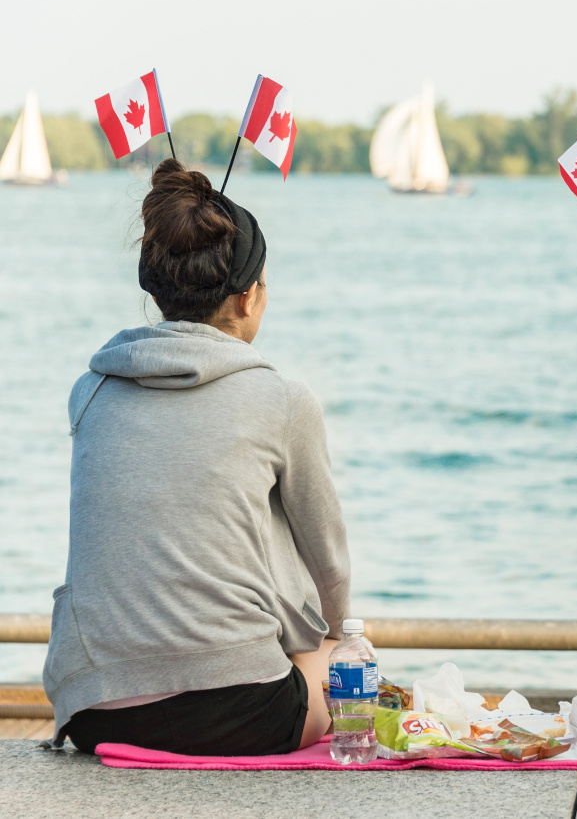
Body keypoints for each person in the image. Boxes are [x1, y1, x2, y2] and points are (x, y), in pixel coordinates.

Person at [43, 159, 351, 756]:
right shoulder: (283, 399)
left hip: (95, 709)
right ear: (247, 297)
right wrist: (335, 638)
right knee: (347, 658)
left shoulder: (91, 391)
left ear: (156, 292)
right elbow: (330, 564)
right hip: (244, 709)